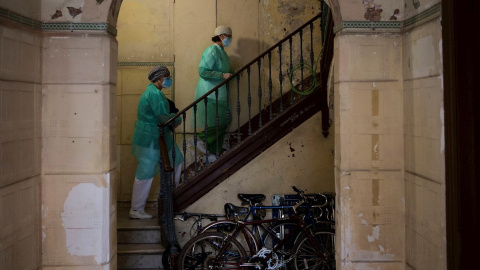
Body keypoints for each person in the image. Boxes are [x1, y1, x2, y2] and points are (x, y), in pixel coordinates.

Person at [130, 65, 183, 219]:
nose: (169, 79)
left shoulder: (154, 92)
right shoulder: (154, 94)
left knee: (176, 159)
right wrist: (178, 118)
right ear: (160, 78)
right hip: (150, 137)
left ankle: (172, 197)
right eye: (167, 76)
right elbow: (163, 117)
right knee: (145, 171)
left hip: (156, 136)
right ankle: (136, 209)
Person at [190, 25, 234, 163]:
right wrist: (222, 75)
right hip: (209, 93)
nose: (230, 39)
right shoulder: (211, 50)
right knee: (221, 121)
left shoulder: (223, 52)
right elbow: (203, 71)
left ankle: (212, 155)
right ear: (221, 36)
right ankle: (200, 139)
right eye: (228, 36)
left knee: (221, 121)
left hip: (219, 93)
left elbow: (224, 72)